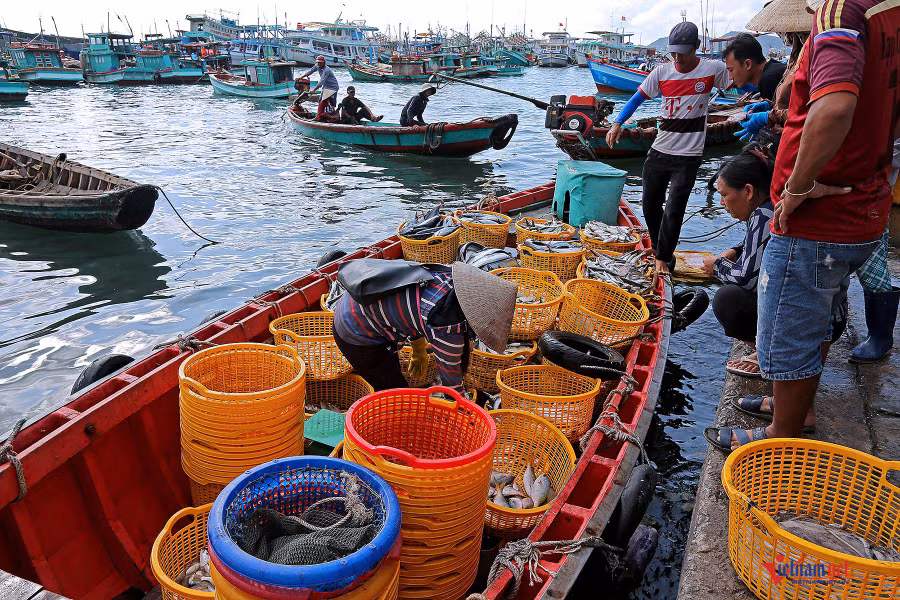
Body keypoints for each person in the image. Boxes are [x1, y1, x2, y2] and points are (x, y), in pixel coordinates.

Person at [705, 0, 899, 452]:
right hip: (863, 207)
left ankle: (784, 431)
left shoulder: (841, 12)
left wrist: (796, 188)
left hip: (819, 216)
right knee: (822, 313)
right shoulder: (888, 14)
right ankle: (791, 407)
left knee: (788, 323)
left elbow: (832, 109)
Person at [605, 22, 731, 275]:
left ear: (697, 47)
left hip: (689, 155)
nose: (678, 58)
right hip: (660, 150)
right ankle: (661, 247)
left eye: (683, 52)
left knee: (675, 207)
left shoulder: (713, 69)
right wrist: (617, 123)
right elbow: (637, 99)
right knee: (650, 203)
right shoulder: (661, 72)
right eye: (674, 52)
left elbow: (742, 81)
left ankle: (663, 257)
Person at [332, 261, 517, 394]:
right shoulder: (447, 325)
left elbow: (411, 309)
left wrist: (418, 349)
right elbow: (452, 387)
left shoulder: (444, 275)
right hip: (354, 330)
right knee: (396, 394)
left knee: (392, 376)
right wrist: (465, 411)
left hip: (359, 305)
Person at [703, 145, 776, 377]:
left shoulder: (763, 216)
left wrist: (716, 266)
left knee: (727, 300)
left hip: (798, 314)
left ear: (748, 191)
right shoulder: (770, 204)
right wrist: (735, 251)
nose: (723, 203)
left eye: (725, 195)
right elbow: (754, 243)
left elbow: (746, 279)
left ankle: (767, 353)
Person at [301, 56, 339, 120]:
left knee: (332, 103)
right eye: (318, 63)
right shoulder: (317, 66)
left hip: (333, 87)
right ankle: (319, 115)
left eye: (320, 63)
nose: (319, 64)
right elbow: (310, 71)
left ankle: (333, 115)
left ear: (324, 63)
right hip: (326, 86)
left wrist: (313, 90)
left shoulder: (326, 70)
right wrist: (301, 77)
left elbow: (321, 82)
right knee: (320, 101)